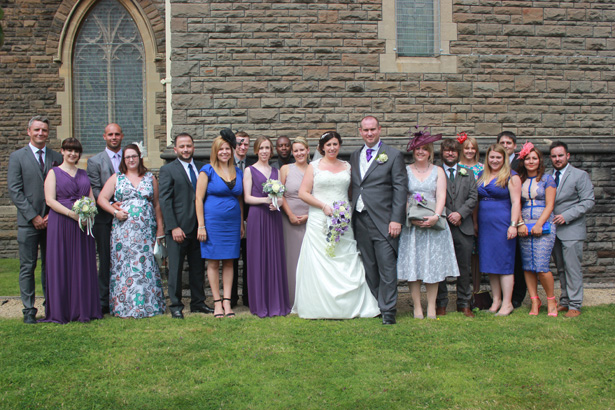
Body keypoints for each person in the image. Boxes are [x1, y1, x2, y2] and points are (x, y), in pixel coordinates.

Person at [292, 133, 378, 319]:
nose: (332, 148)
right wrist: (323, 206)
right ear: (322, 147)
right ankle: (318, 306)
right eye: (328, 144)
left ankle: (348, 306)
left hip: (342, 218)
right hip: (319, 217)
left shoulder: (347, 166)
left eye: (335, 144)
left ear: (339, 146)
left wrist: (344, 211)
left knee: (343, 256)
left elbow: (352, 192)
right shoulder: (313, 167)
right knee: (320, 260)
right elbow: (303, 193)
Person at [350, 116, 407, 325]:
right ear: (360, 131)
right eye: (365, 130)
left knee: (387, 267)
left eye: (373, 129)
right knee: (370, 267)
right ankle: (376, 304)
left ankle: (389, 311)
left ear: (380, 129)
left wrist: (396, 219)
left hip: (384, 220)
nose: (369, 133)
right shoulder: (355, 155)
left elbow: (400, 189)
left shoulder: (393, 155)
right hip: (360, 219)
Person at [98, 144, 166, 318]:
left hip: (145, 231)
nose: (131, 159)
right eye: (127, 157)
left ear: (140, 157)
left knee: (145, 266)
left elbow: (157, 204)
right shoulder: (117, 178)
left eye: (134, 156)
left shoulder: (150, 177)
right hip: (123, 232)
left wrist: (160, 228)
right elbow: (102, 199)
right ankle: (124, 306)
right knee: (125, 266)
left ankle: (148, 306)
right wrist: (115, 212)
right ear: (123, 159)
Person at [397, 133, 460, 319]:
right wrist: (410, 215)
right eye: (418, 149)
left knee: (433, 266)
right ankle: (417, 307)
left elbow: (441, 196)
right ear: (413, 151)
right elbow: (402, 195)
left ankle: (431, 307)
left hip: (434, 223)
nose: (421, 152)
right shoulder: (405, 170)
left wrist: (435, 216)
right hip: (413, 225)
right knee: (414, 265)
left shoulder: (438, 171)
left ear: (430, 152)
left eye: (425, 149)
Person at [8, 115, 63, 324]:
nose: (41, 133)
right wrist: (33, 216)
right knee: (27, 266)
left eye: (44, 130)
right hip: (28, 223)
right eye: (37, 130)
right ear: (29, 131)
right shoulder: (17, 157)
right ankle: (29, 309)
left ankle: (51, 305)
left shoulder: (56, 157)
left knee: (50, 266)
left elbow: (60, 189)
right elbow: (15, 190)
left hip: (52, 221)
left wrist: (50, 214)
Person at [41, 138, 102, 323]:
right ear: (62, 151)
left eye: (76, 151)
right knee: (62, 263)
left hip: (82, 226)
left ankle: (83, 308)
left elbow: (91, 198)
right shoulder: (54, 172)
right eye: (69, 150)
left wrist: (90, 213)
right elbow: (50, 200)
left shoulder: (83, 174)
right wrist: (71, 214)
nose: (73, 154)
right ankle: (63, 310)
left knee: (82, 264)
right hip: (61, 223)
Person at [159, 133, 213, 319]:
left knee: (198, 267)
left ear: (193, 147)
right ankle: (175, 304)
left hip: (199, 227)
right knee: (175, 268)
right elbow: (165, 200)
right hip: (178, 229)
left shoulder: (202, 167)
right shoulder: (168, 170)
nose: (185, 149)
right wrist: (173, 226)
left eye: (188, 146)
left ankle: (198, 303)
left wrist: (204, 224)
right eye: (182, 146)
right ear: (175, 149)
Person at [196, 132, 244, 318]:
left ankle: (227, 302)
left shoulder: (238, 172)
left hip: (232, 223)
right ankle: (216, 303)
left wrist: (241, 224)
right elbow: (198, 199)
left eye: (227, 149)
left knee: (230, 261)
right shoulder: (206, 170)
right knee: (214, 262)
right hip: (212, 222)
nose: (224, 152)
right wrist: (201, 225)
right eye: (221, 149)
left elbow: (239, 200)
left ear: (232, 151)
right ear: (215, 152)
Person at [243, 136, 291, 318]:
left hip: (273, 216)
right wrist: (265, 200)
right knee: (258, 257)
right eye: (261, 148)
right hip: (257, 216)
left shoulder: (276, 172)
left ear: (271, 151)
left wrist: (277, 202)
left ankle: (276, 301)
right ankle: (260, 303)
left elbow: (280, 196)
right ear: (256, 150)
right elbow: (247, 197)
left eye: (267, 148)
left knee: (274, 256)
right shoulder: (249, 170)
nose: (264, 151)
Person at [550, 141, 595, 318]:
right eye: (554, 156)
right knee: (560, 268)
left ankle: (575, 304)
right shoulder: (548, 176)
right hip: (554, 230)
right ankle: (565, 300)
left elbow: (588, 201)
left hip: (571, 229)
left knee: (572, 268)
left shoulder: (579, 175)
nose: (557, 159)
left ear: (568, 156)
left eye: (560, 155)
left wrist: (566, 216)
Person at [476, 144, 522, 316]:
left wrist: (513, 225)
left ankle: (507, 303)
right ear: (487, 158)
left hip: (502, 224)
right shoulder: (482, 175)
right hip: (485, 225)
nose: (494, 160)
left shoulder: (512, 176)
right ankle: (496, 301)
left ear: (504, 159)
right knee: (490, 264)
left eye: (498, 157)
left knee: (504, 264)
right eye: (492, 157)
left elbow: (516, 202)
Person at [436, 138, 478, 318]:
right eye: (447, 150)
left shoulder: (467, 173)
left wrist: (460, 214)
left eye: (453, 150)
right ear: (442, 152)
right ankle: (441, 303)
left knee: (464, 268)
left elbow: (473, 197)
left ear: (458, 152)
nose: (450, 153)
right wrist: (448, 214)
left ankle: (463, 303)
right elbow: (432, 195)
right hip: (442, 225)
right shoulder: (435, 172)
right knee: (440, 266)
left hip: (464, 225)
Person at [516, 143, 558, 317]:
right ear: (523, 161)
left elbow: (550, 204)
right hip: (525, 224)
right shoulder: (519, 178)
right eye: (527, 158)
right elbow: (515, 202)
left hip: (544, 224)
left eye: (534, 158)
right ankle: (534, 300)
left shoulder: (547, 179)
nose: (531, 161)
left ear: (540, 160)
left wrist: (540, 223)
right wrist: (519, 223)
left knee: (541, 265)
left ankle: (551, 300)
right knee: (527, 266)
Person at [87, 123, 123, 315]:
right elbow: (95, 189)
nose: (114, 137)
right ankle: (103, 301)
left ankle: (123, 296)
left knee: (125, 258)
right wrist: (111, 206)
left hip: (127, 217)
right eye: (110, 134)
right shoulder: (94, 161)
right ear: (104, 137)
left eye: (117, 134)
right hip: (104, 219)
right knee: (106, 258)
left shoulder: (131, 156)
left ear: (122, 136)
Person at [497, 130, 526, 308]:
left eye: (509, 143)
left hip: (518, 214)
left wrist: (518, 221)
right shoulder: (494, 163)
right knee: (503, 256)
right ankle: (500, 295)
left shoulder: (522, 163)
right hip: (499, 217)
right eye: (503, 143)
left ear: (515, 146)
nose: (506, 146)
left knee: (518, 258)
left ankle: (517, 296)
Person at [280, 137, 310, 306]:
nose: (299, 153)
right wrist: (290, 214)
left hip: (310, 219)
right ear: (292, 152)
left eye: (302, 150)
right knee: (291, 258)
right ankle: (291, 298)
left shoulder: (315, 169)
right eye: (296, 150)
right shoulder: (285, 169)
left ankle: (307, 298)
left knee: (309, 258)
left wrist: (309, 216)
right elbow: (280, 194)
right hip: (288, 219)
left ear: (307, 150)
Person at [231, 131, 255, 308]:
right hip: (230, 218)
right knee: (231, 259)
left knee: (249, 259)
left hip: (251, 217)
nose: (242, 147)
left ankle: (248, 297)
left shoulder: (253, 165)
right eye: (239, 143)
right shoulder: (225, 162)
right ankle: (231, 298)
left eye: (246, 144)